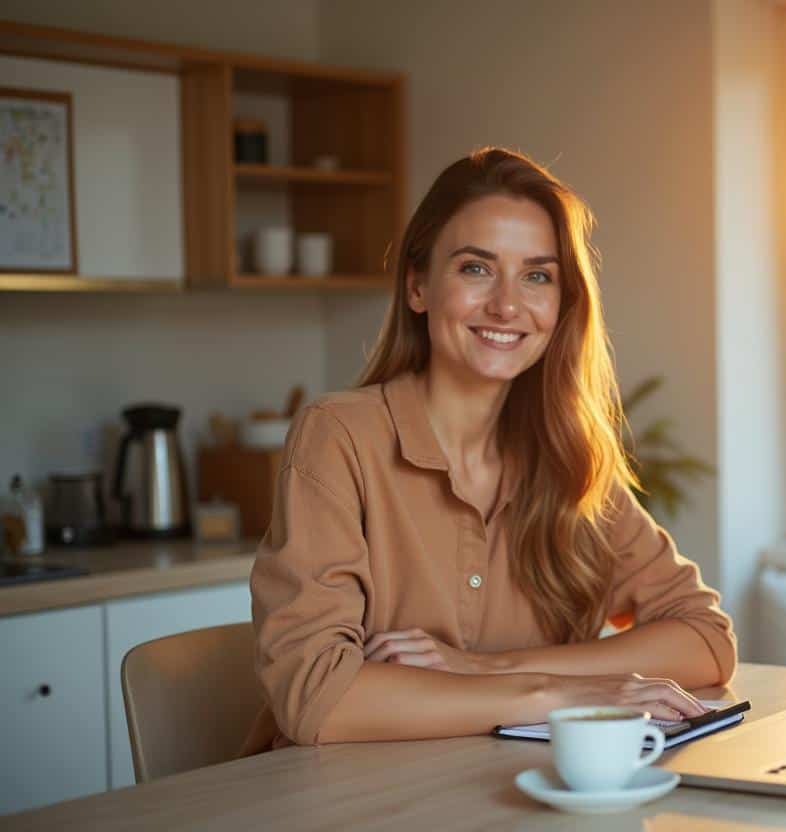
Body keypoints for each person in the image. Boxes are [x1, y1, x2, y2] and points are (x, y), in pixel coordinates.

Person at [241, 147, 736, 752]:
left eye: (537, 276)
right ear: (419, 286)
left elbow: (706, 641)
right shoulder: (339, 436)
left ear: (561, 305)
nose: (507, 305)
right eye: (477, 269)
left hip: (506, 796)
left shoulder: (569, 460)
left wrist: (485, 667)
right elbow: (318, 700)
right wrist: (555, 694)